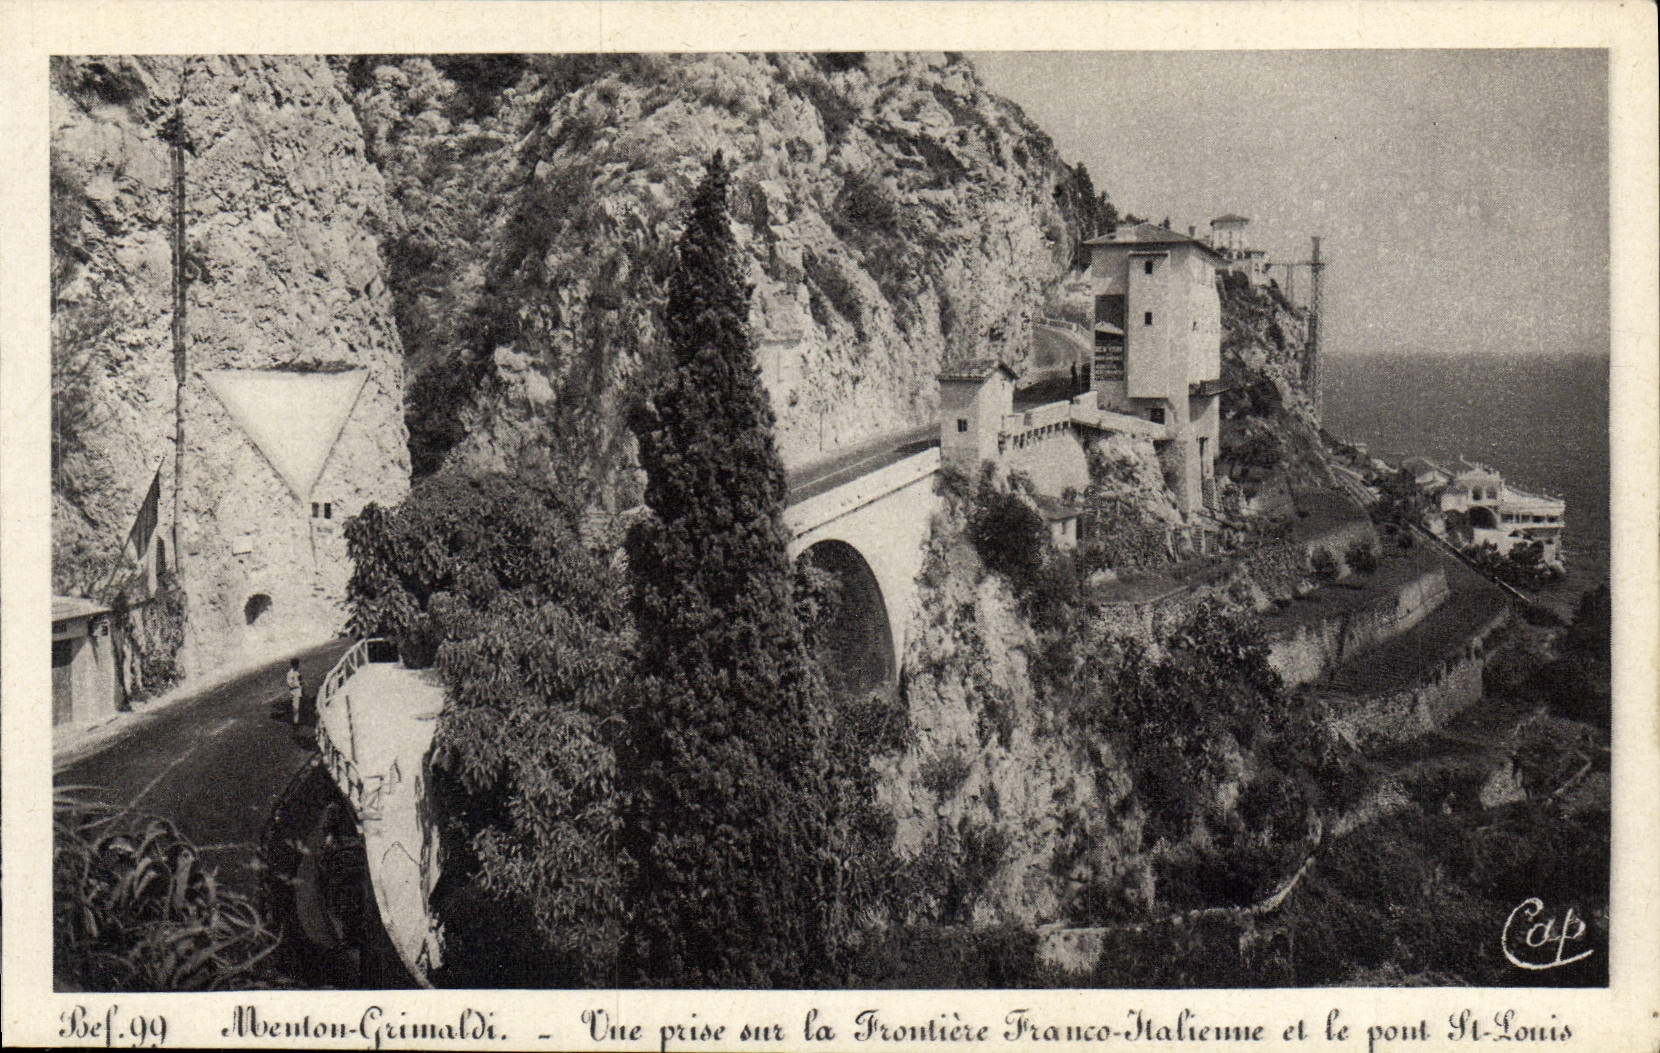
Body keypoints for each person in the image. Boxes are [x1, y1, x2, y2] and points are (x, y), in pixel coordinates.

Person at [286, 658, 304, 725]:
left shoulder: (297, 673)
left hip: (299, 691)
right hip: (294, 692)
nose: (297, 666)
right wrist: (299, 684)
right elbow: (290, 684)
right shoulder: (290, 674)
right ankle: (295, 722)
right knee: (295, 708)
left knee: (298, 708)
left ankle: (297, 721)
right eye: (296, 665)